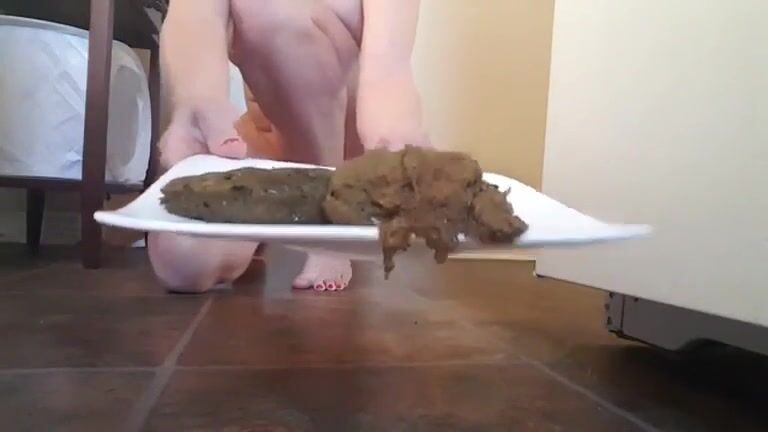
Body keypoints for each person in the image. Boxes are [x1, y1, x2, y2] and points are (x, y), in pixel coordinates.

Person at [148, 0, 430, 293]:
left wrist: (390, 87)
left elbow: (388, 70)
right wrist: (197, 99)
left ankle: (330, 216)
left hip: (350, 162)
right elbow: (193, 12)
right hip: (271, 148)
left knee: (268, 9)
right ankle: (277, 219)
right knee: (182, 258)